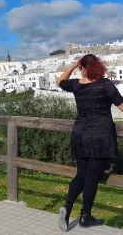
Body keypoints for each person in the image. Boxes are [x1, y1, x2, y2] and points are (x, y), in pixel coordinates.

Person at [57, 54, 123, 232]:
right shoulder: (105, 84)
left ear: (82, 68)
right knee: (92, 177)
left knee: (82, 174)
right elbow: (122, 105)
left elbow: (60, 81)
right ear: (98, 66)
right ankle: (86, 216)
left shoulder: (77, 85)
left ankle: (67, 206)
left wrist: (73, 65)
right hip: (100, 136)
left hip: (80, 134)